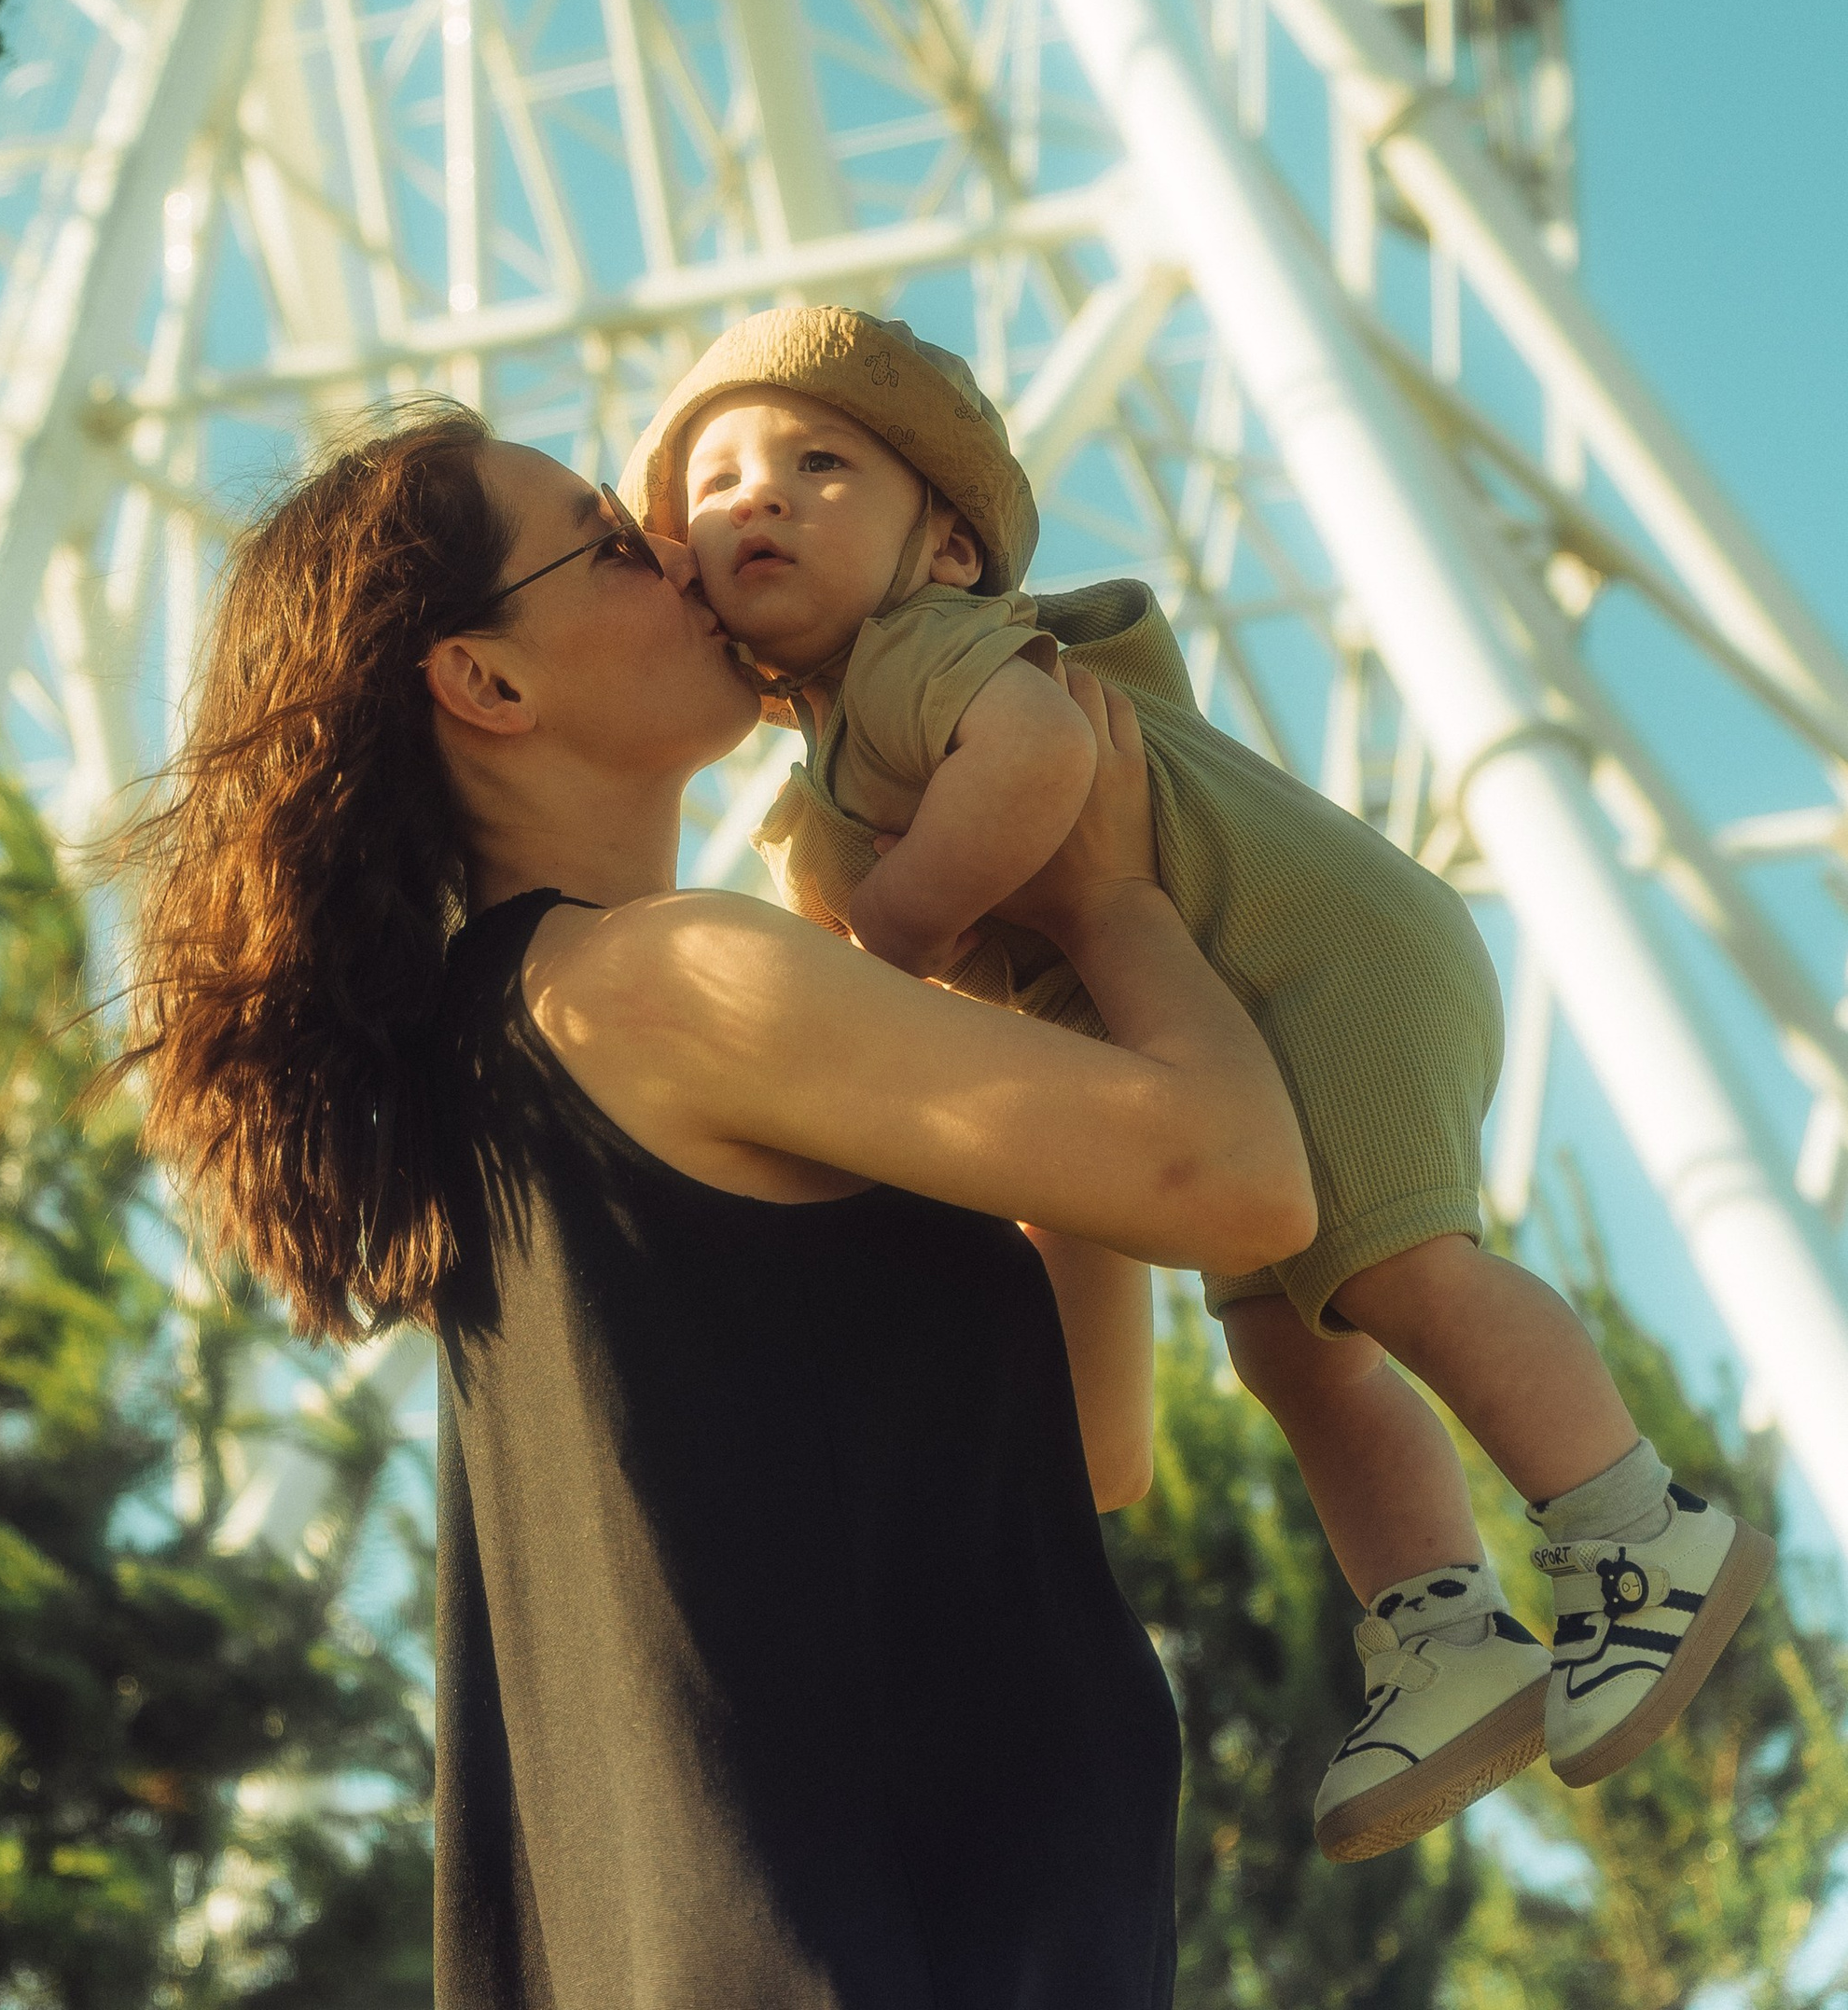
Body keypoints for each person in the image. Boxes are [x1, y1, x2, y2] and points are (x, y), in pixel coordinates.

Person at [115, 400, 1316, 2010]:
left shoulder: (511, 1053)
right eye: (615, 546)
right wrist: (1107, 901)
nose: (687, 552)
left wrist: (1018, 989)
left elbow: (1091, 1452)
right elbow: (1245, 1183)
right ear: (489, 684)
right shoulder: (663, 979)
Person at [622, 303, 1775, 1869]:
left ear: (947, 548)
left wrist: (895, 927)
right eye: (717, 483)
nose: (759, 495)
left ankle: (1634, 1524)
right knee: (1295, 1351)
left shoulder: (927, 651)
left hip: (1307, 963)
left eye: (819, 465)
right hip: (1226, 1017)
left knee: (1400, 1272)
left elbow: (1038, 761)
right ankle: (1445, 1635)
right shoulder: (826, 773)